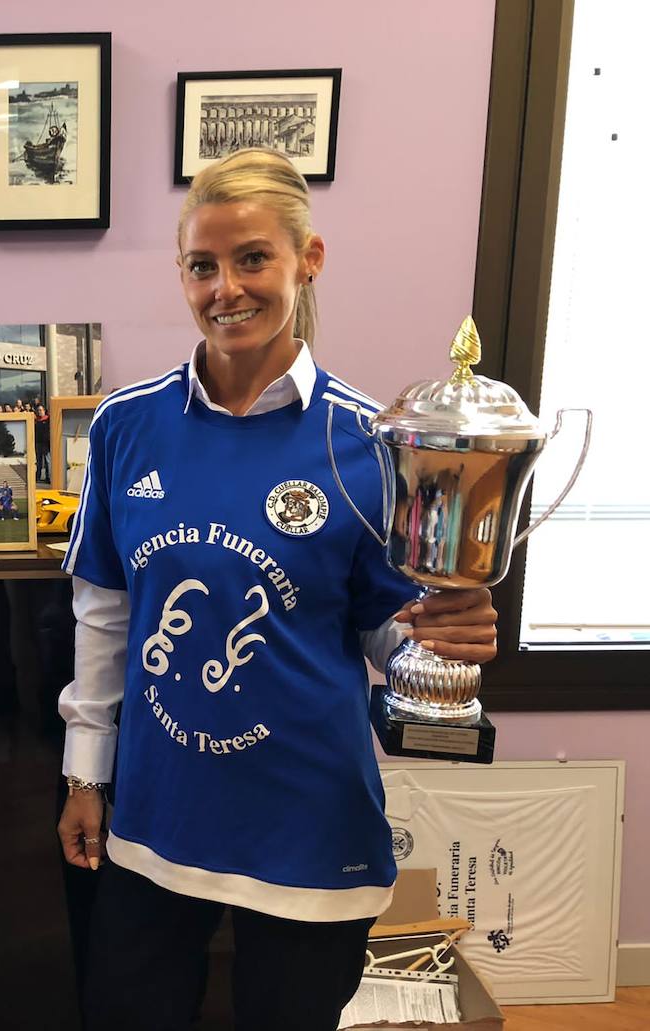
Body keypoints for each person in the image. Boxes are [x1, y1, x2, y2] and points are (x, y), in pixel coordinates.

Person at [54, 148, 498, 1031]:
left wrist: (440, 637)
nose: (227, 288)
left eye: (253, 258)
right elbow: (105, 614)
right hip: (156, 816)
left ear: (309, 259)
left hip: (306, 820)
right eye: (202, 265)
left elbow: (384, 635)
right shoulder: (126, 426)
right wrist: (83, 773)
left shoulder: (373, 443)